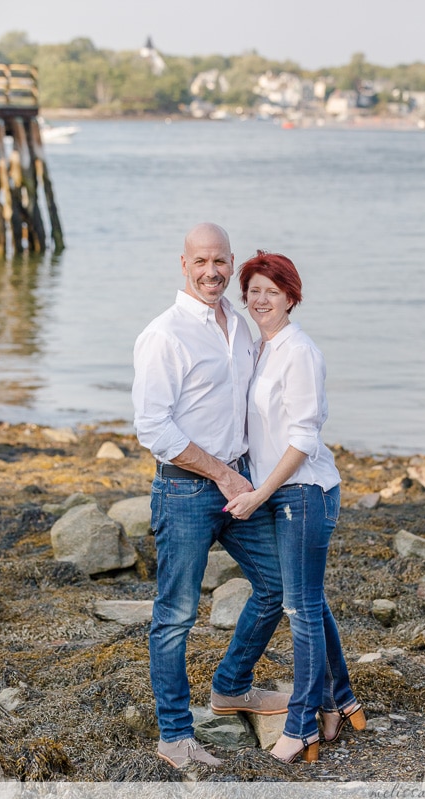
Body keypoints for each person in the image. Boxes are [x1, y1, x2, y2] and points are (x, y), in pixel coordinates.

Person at [132, 224, 290, 769]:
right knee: (175, 616)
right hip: (186, 491)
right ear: (183, 264)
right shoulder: (165, 335)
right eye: (201, 261)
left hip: (241, 486)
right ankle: (175, 735)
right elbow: (153, 428)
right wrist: (222, 474)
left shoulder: (240, 327)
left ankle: (231, 686)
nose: (212, 272)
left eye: (220, 260)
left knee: (279, 584)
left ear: (231, 262)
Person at [225, 250, 366, 764]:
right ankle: (340, 699)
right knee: (311, 601)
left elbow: (304, 438)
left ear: (291, 296)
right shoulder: (261, 348)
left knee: (300, 609)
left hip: (303, 492)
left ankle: (302, 724)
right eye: (254, 291)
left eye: (271, 290)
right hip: (281, 493)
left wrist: (260, 493)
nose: (261, 300)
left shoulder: (299, 351)